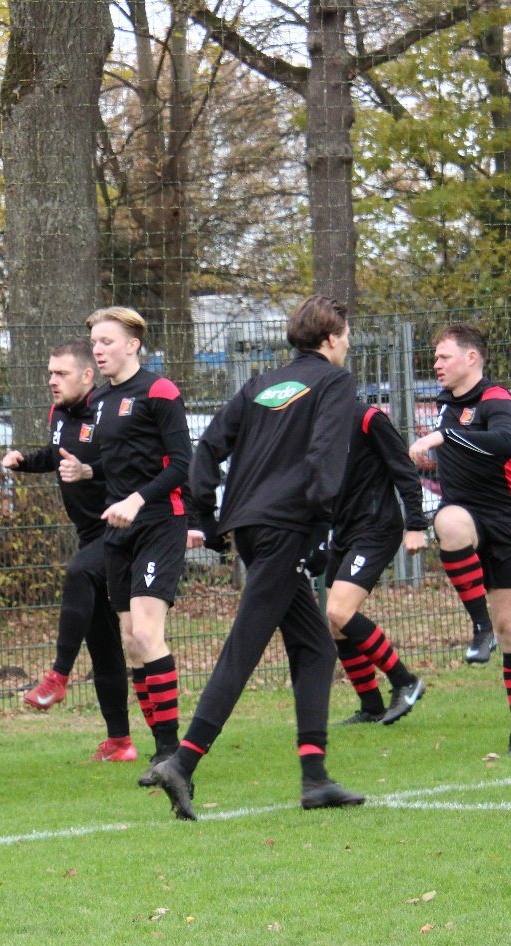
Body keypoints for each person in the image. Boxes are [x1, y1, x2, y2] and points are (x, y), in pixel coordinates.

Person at [149, 294, 365, 820]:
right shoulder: (335, 382)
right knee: (244, 648)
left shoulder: (262, 384)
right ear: (331, 338)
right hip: (287, 526)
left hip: (250, 525)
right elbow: (325, 456)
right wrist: (321, 529)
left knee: (316, 647)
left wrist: (206, 518)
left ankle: (315, 777)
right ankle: (182, 762)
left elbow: (207, 448)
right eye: (347, 335)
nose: (348, 344)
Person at [408, 322, 511, 755]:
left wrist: (444, 436)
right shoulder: (446, 404)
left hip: (506, 524)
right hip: (465, 517)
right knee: (448, 522)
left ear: (471, 358)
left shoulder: (494, 397)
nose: (436, 364)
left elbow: (502, 442)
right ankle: (480, 627)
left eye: (443, 356)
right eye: (435, 357)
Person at [5, 339, 135, 761]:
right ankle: (120, 741)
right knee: (102, 640)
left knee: (79, 571)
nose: (52, 380)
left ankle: (57, 677)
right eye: (50, 373)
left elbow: (130, 467)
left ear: (87, 375)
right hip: (90, 534)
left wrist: (88, 470)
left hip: (125, 529)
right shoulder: (59, 413)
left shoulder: (110, 412)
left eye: (61, 373)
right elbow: (57, 453)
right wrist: (26, 461)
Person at [86, 306, 192, 782]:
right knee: (131, 643)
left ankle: (171, 752)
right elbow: (119, 461)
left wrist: (138, 498)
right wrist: (87, 471)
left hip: (159, 523)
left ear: (133, 345)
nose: (98, 349)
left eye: (107, 341)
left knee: (149, 635)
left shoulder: (159, 391)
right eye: (94, 342)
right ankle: (159, 747)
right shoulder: (100, 399)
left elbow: (182, 464)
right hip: (119, 529)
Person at [328, 401, 430, 725]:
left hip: (376, 528)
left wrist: (416, 525)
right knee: (336, 624)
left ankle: (405, 681)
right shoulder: (312, 424)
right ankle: (372, 707)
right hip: (343, 533)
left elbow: (404, 470)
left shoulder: (368, 418)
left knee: (339, 611)